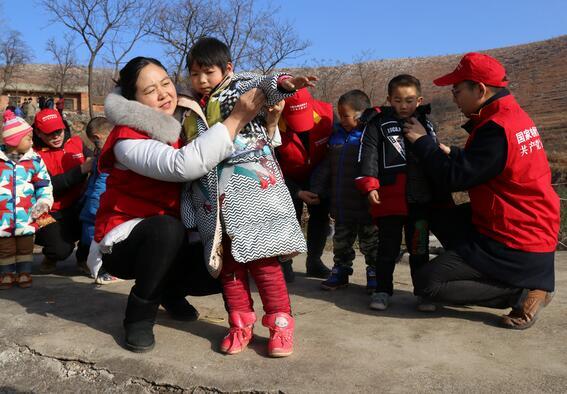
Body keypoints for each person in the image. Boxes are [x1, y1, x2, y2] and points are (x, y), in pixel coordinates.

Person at [90, 56, 266, 353]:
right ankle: (138, 316)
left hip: (176, 235)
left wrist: (268, 121)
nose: (163, 94)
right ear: (133, 100)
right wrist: (236, 118)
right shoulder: (126, 138)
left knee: (228, 253)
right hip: (126, 240)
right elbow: (181, 166)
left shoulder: (184, 123)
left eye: (166, 83)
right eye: (150, 91)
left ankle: (169, 292)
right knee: (166, 230)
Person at [403, 53, 560, 329]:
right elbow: (493, 162)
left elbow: (454, 178)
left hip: (515, 239)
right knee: (442, 218)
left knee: (428, 284)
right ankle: (486, 272)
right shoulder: (511, 116)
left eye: (457, 90)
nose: (454, 97)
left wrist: (423, 143)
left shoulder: (496, 128)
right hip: (530, 225)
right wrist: (455, 153)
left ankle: (521, 292)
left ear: (480, 89)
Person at [180, 37, 314, 357]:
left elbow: (265, 84)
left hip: (250, 192)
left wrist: (286, 83)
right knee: (228, 267)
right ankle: (240, 324)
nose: (200, 80)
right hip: (212, 198)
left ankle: (281, 325)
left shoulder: (238, 87)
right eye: (194, 73)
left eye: (207, 72)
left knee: (263, 261)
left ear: (227, 69)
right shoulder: (190, 107)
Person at [357, 74, 438, 311]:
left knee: (419, 248)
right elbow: (368, 153)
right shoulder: (377, 124)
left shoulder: (426, 123)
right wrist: (369, 184)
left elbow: (433, 155)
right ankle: (383, 291)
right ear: (389, 99)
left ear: (419, 100)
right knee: (387, 248)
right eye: (398, 100)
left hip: (420, 199)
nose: (404, 105)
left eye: (410, 100)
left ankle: (423, 293)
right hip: (390, 197)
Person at [309, 90, 378, 292]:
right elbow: (326, 166)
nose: (342, 120)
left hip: (366, 204)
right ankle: (340, 271)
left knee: (371, 243)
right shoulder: (336, 135)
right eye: (340, 115)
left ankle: (374, 272)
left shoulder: (370, 135)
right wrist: (317, 188)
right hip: (341, 203)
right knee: (341, 242)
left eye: (346, 115)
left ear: (360, 114)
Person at [275, 88, 335, 282]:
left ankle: (314, 261)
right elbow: (270, 167)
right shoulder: (272, 124)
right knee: (287, 216)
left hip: (318, 172)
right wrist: (297, 192)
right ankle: (284, 263)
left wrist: (320, 185)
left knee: (320, 213)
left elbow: (332, 152)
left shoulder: (327, 115)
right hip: (286, 177)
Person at [33, 108, 92, 274]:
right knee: (60, 249)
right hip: (45, 212)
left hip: (77, 205)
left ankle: (84, 257)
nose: (56, 136)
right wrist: (80, 170)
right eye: (50, 133)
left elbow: (92, 159)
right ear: (38, 132)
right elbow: (49, 187)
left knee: (96, 218)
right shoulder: (33, 156)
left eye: (59, 130)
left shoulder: (77, 143)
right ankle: (51, 255)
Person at [0, 110, 53, 289]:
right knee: (5, 247)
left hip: (27, 215)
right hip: (3, 219)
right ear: (14, 140)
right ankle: (7, 273)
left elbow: (44, 184)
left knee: (25, 246)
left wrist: (44, 202)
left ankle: (24, 272)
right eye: (28, 138)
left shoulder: (35, 160)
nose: (32, 141)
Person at [79, 116, 121, 285]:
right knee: (95, 242)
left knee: (87, 242)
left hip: (94, 205)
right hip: (96, 208)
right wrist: (97, 207)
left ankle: (83, 262)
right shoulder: (106, 155)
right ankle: (100, 272)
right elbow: (101, 184)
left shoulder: (102, 153)